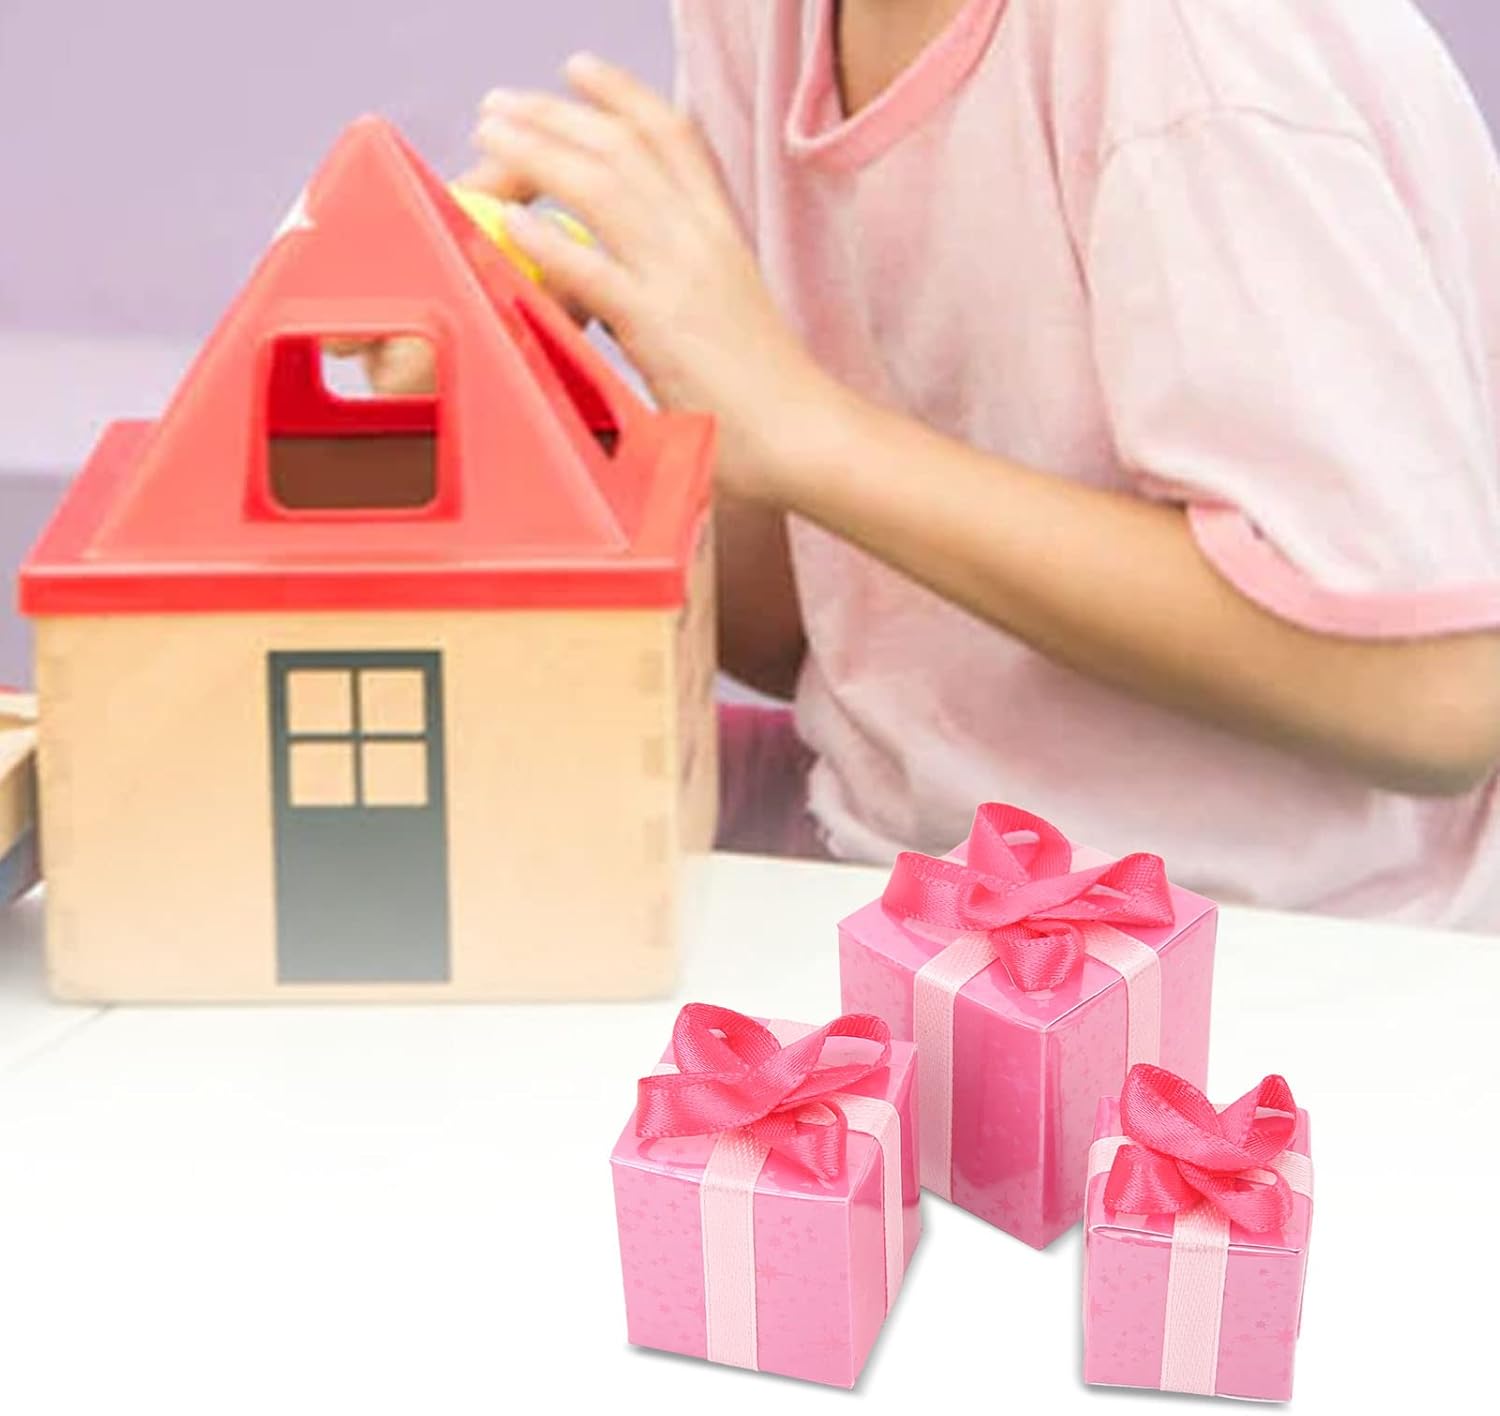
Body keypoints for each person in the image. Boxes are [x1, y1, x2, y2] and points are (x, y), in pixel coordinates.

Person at [407, 1, 1500, 927]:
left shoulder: (1198, 45)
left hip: (1287, 959)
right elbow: (795, 624)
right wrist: (552, 407)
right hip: (905, 888)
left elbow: (1437, 700)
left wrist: (810, 431)